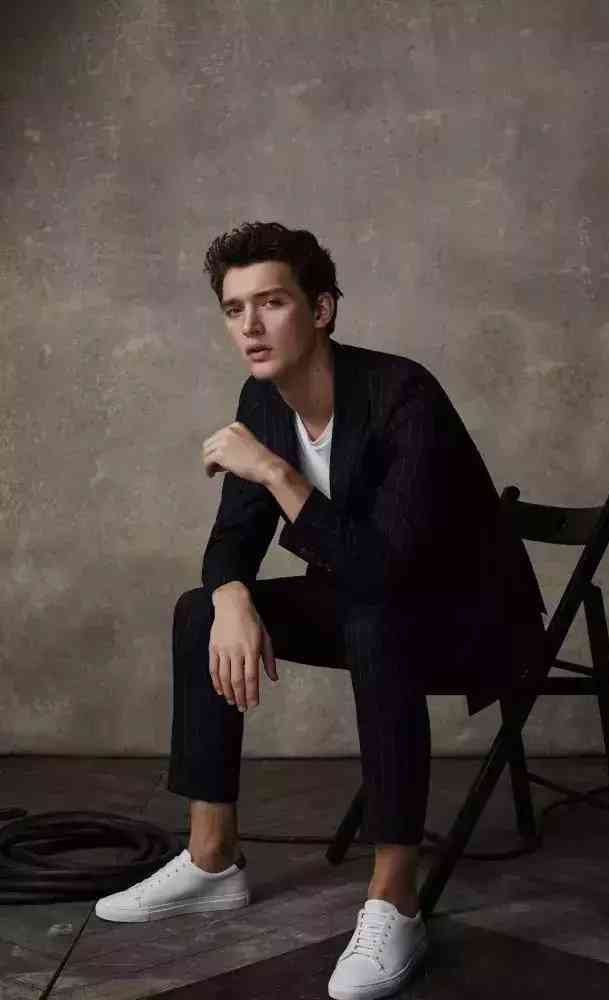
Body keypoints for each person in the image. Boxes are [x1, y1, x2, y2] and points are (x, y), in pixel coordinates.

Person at [95, 221, 546, 1000]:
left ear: (321, 309)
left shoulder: (402, 395)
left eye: (271, 302)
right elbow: (232, 540)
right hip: (373, 606)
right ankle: (211, 860)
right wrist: (230, 597)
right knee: (199, 611)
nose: (250, 326)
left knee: (375, 615)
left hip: (469, 623)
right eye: (234, 309)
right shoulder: (261, 399)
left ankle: (394, 900)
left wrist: (274, 472)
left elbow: (386, 568)